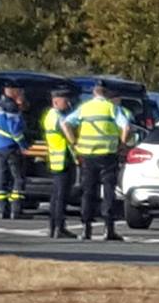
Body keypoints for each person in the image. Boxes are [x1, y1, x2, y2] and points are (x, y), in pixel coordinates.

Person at [64, 81, 125, 241]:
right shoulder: (111, 108)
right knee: (108, 191)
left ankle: (86, 229)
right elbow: (127, 127)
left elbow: (65, 123)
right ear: (106, 93)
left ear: (94, 93)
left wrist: (74, 142)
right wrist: (122, 144)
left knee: (88, 192)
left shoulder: (85, 108)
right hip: (107, 155)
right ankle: (108, 228)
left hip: (87, 155)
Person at [0, 82, 28, 219]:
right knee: (18, 178)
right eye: (19, 91)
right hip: (10, 146)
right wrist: (23, 145)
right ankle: (16, 209)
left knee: (2, 177)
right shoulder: (11, 107)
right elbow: (15, 130)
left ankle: (1, 208)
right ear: (14, 92)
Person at [40, 84, 79, 240]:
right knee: (60, 196)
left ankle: (55, 227)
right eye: (65, 101)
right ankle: (58, 227)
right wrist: (75, 141)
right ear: (56, 101)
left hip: (59, 159)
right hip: (61, 159)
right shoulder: (56, 116)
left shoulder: (52, 115)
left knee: (57, 196)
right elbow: (66, 129)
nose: (68, 104)